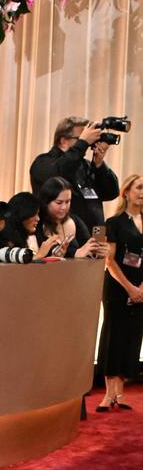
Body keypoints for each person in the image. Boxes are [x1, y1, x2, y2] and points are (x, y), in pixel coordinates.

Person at [96, 174, 143, 411]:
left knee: (132, 337)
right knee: (113, 335)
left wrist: (141, 289)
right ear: (126, 192)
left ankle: (121, 392)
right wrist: (130, 288)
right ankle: (108, 393)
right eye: (139, 187)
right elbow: (110, 260)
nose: (142, 192)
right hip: (117, 285)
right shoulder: (115, 222)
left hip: (141, 287)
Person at [29, 116, 119, 231]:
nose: (88, 143)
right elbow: (60, 172)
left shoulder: (86, 165)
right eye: (82, 138)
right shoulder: (43, 162)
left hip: (97, 235)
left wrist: (99, 164)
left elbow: (111, 193)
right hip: (64, 236)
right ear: (64, 141)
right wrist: (83, 143)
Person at [36, 176, 106, 260]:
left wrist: (97, 252)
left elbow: (86, 247)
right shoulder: (36, 222)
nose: (64, 207)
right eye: (59, 202)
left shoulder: (75, 220)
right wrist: (76, 253)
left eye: (68, 201)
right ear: (46, 202)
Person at [3, 192, 61, 257]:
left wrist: (55, 253)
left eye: (38, 214)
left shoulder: (31, 236)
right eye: (34, 214)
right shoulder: (6, 239)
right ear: (23, 214)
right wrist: (40, 254)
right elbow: (13, 266)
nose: (38, 219)